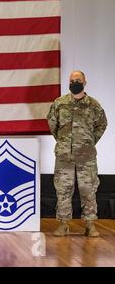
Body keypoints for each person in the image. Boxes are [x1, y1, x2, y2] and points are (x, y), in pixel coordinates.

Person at [47, 70, 107, 237]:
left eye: (78, 80)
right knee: (63, 189)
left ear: (85, 82)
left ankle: (90, 224)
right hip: (64, 156)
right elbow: (53, 125)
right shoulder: (60, 103)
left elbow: (102, 125)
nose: (75, 83)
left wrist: (88, 142)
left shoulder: (93, 105)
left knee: (88, 189)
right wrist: (64, 142)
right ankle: (63, 224)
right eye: (72, 80)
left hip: (86, 157)